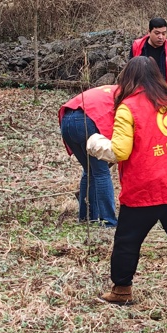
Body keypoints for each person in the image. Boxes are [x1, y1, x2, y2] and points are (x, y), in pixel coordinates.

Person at [89, 56, 167, 315]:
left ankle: (122, 289)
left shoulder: (128, 107)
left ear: (128, 78)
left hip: (145, 187)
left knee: (127, 241)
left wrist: (95, 144)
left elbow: (120, 151)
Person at [58, 85, 119, 227]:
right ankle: (108, 221)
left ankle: (86, 217)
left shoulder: (115, 90)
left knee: (89, 170)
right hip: (86, 120)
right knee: (101, 172)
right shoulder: (130, 96)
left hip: (66, 120)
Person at [130, 17, 167, 99]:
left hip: (166, 94)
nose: (161, 37)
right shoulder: (137, 47)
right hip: (142, 94)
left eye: (164, 34)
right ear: (149, 32)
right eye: (157, 33)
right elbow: (130, 74)